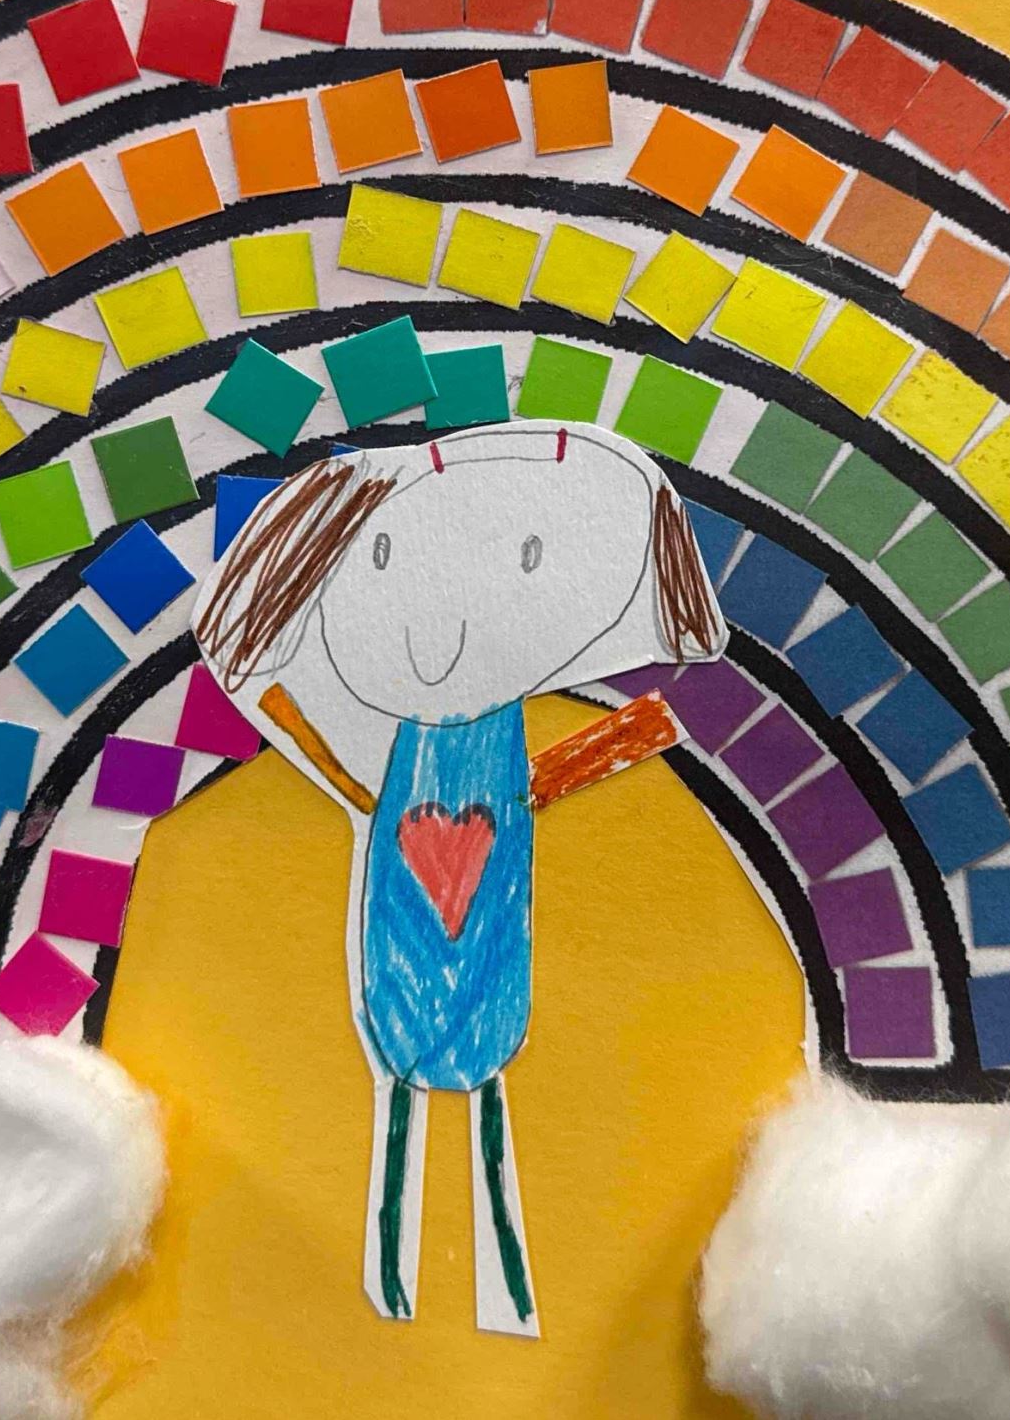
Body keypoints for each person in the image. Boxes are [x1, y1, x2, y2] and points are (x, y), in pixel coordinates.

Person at [193, 421, 725, 1334]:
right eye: (384, 557)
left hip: (491, 948)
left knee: (481, 1101)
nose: (439, 633)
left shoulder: (498, 727)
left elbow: (518, 790)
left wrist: (619, 741)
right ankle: (406, 1274)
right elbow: (378, 785)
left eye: (529, 557)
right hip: (397, 946)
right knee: (411, 1092)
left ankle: (495, 1281)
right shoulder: (396, 733)